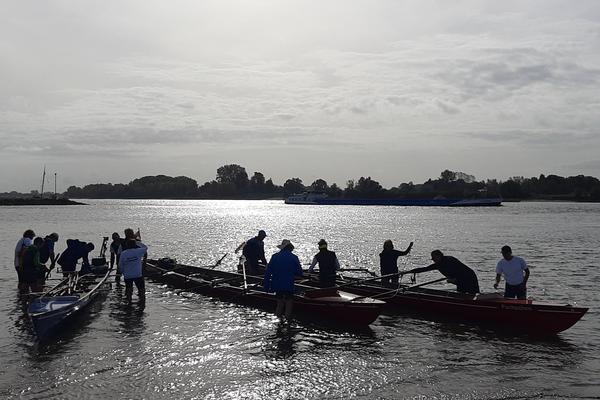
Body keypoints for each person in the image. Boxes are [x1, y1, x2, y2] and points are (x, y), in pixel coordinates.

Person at [406, 250, 480, 294]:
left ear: (439, 256)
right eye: (433, 259)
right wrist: (410, 271)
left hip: (468, 277)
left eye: (434, 258)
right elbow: (425, 269)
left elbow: (459, 271)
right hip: (459, 280)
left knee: (474, 294)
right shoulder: (437, 264)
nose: (434, 260)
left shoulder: (449, 260)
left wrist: (454, 279)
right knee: (461, 294)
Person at [263, 239, 303, 321]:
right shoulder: (294, 257)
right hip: (288, 285)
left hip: (277, 285)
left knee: (280, 303)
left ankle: (278, 322)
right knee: (289, 303)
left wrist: (266, 286)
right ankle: (287, 322)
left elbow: (268, 273)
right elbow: (299, 273)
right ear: (290, 248)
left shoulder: (275, 256)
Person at [119, 238, 148, 303]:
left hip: (128, 275)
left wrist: (122, 272)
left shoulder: (123, 253)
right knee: (141, 290)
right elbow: (145, 247)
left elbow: (120, 265)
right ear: (135, 245)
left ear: (127, 245)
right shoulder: (138, 251)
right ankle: (142, 303)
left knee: (129, 290)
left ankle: (129, 303)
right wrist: (137, 242)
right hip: (137, 274)